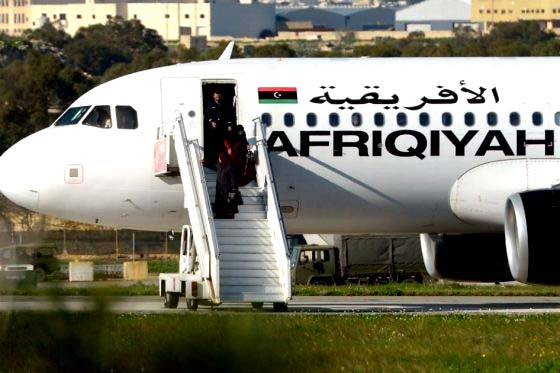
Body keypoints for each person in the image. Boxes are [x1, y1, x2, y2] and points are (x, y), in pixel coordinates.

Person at [204, 91, 231, 168]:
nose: (217, 97)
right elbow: (209, 114)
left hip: (223, 127)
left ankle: (222, 160)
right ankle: (213, 161)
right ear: (213, 96)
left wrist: (229, 125)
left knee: (222, 144)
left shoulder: (224, 104)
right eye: (216, 96)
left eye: (218, 95)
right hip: (214, 128)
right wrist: (212, 121)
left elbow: (228, 114)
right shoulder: (210, 104)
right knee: (213, 144)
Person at [214, 152, 239, 219]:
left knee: (227, 202)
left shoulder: (229, 166)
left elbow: (233, 178)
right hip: (219, 188)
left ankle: (227, 215)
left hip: (227, 188)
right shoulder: (219, 165)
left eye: (220, 158)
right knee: (219, 201)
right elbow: (213, 166)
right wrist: (205, 163)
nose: (219, 159)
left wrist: (233, 188)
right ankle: (219, 215)